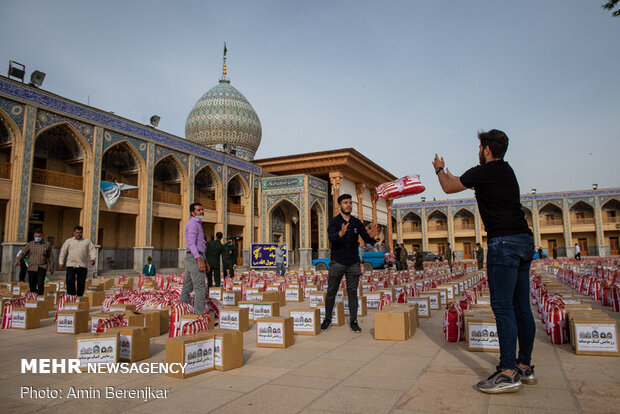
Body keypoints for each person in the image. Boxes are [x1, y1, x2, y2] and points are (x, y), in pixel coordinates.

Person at [433, 129, 536, 393]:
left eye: (480, 148)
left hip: (504, 243)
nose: (478, 152)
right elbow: (459, 179)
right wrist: (448, 171)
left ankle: (507, 371)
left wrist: (438, 170)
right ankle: (524, 366)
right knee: (521, 306)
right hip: (524, 240)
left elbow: (448, 186)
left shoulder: (483, 172)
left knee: (503, 308)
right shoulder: (507, 171)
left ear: (486, 150)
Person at [322, 193, 379, 333]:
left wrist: (372, 237)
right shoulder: (334, 222)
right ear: (339, 205)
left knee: (352, 293)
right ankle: (327, 318)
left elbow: (365, 237)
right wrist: (339, 234)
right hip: (337, 262)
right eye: (345, 202)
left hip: (353, 262)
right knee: (331, 292)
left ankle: (353, 320)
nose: (348, 205)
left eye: (350, 202)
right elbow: (331, 237)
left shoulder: (356, 222)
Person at [181, 203, 209, 314]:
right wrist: (199, 260)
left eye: (202, 209)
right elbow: (192, 244)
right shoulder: (193, 224)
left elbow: (200, 244)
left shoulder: (198, 224)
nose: (201, 212)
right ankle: (200, 314)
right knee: (200, 286)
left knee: (187, 286)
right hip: (194, 258)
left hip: (195, 257)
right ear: (193, 213)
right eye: (198, 210)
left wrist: (205, 260)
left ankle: (183, 310)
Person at [58, 225, 96, 296]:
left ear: (82, 233)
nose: (78, 234)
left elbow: (92, 250)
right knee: (69, 280)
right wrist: (61, 262)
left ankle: (79, 296)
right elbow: (63, 252)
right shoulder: (69, 241)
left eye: (80, 233)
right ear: (74, 233)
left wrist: (93, 258)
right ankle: (71, 295)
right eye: (77, 233)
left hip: (82, 265)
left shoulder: (87, 241)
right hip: (71, 265)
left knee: (81, 282)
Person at [14, 229, 54, 295]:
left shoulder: (47, 245)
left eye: (39, 236)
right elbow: (23, 253)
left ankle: (40, 296)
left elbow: (50, 256)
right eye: (36, 236)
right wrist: (18, 260)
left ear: (42, 236)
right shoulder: (30, 244)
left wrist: (52, 266)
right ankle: (33, 296)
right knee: (32, 283)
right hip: (32, 267)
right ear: (34, 236)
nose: (37, 238)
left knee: (41, 283)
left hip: (42, 266)